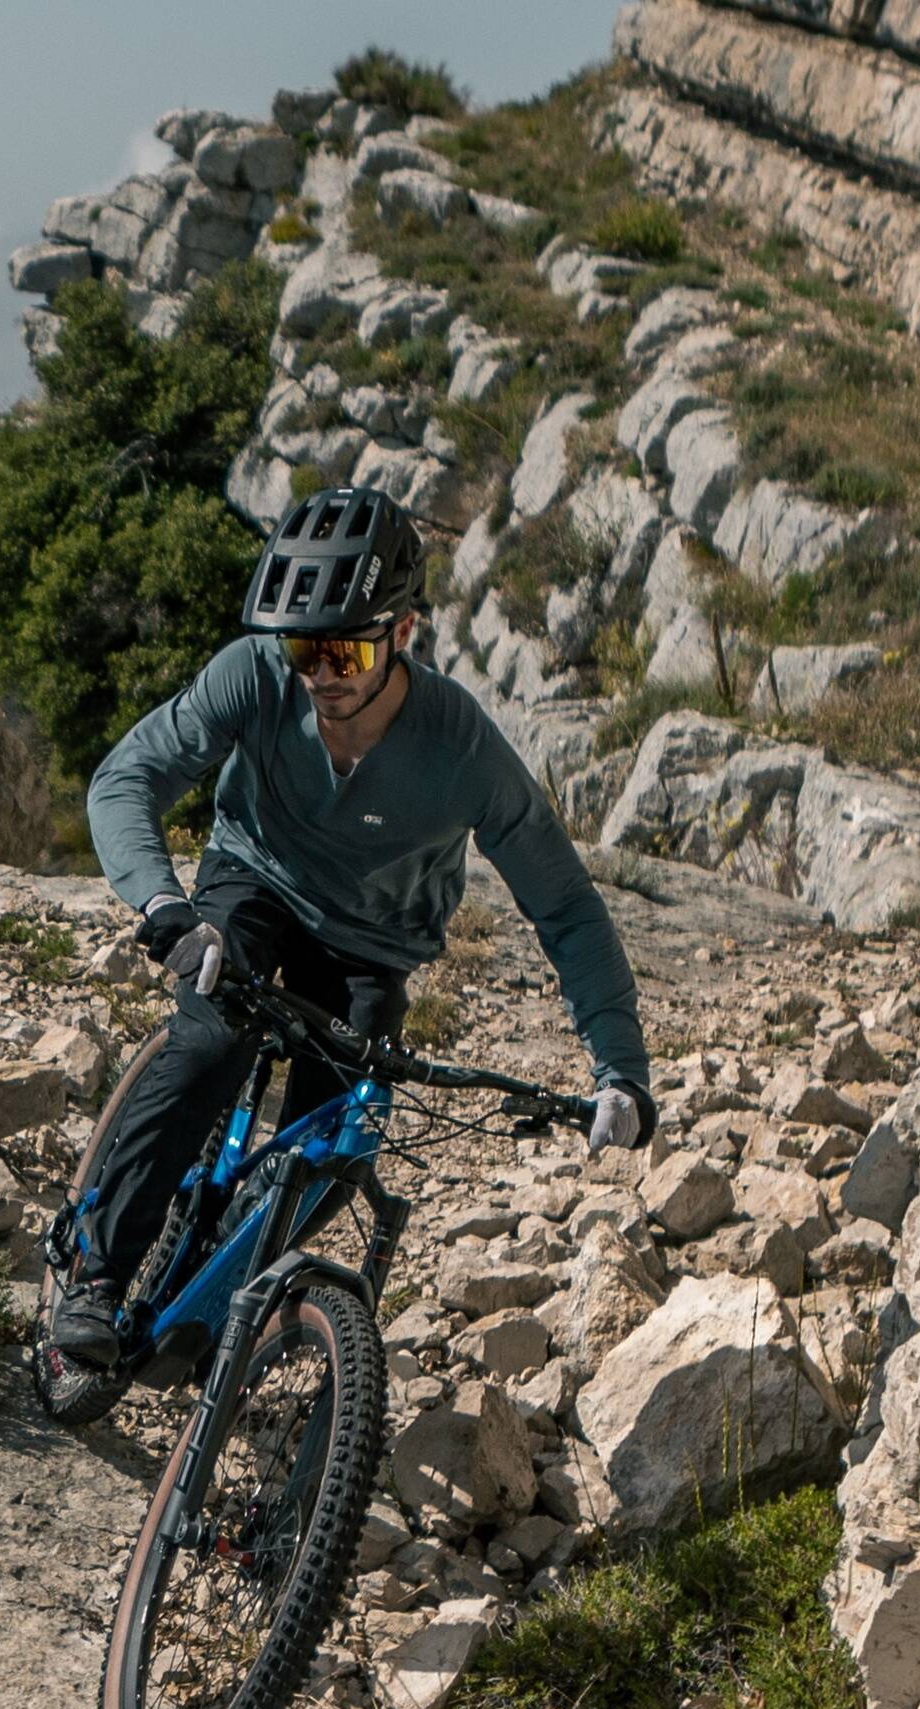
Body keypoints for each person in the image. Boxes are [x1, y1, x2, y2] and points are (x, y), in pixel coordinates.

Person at [41, 485, 656, 1410]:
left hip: (373, 943)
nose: (319, 674)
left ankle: (217, 1294)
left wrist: (620, 1070)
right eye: (303, 648)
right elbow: (127, 777)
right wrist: (165, 904)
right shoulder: (254, 674)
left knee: (335, 1142)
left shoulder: (461, 747)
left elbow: (564, 904)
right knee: (209, 1044)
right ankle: (93, 1275)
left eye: (345, 651)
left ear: (403, 632)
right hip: (251, 885)